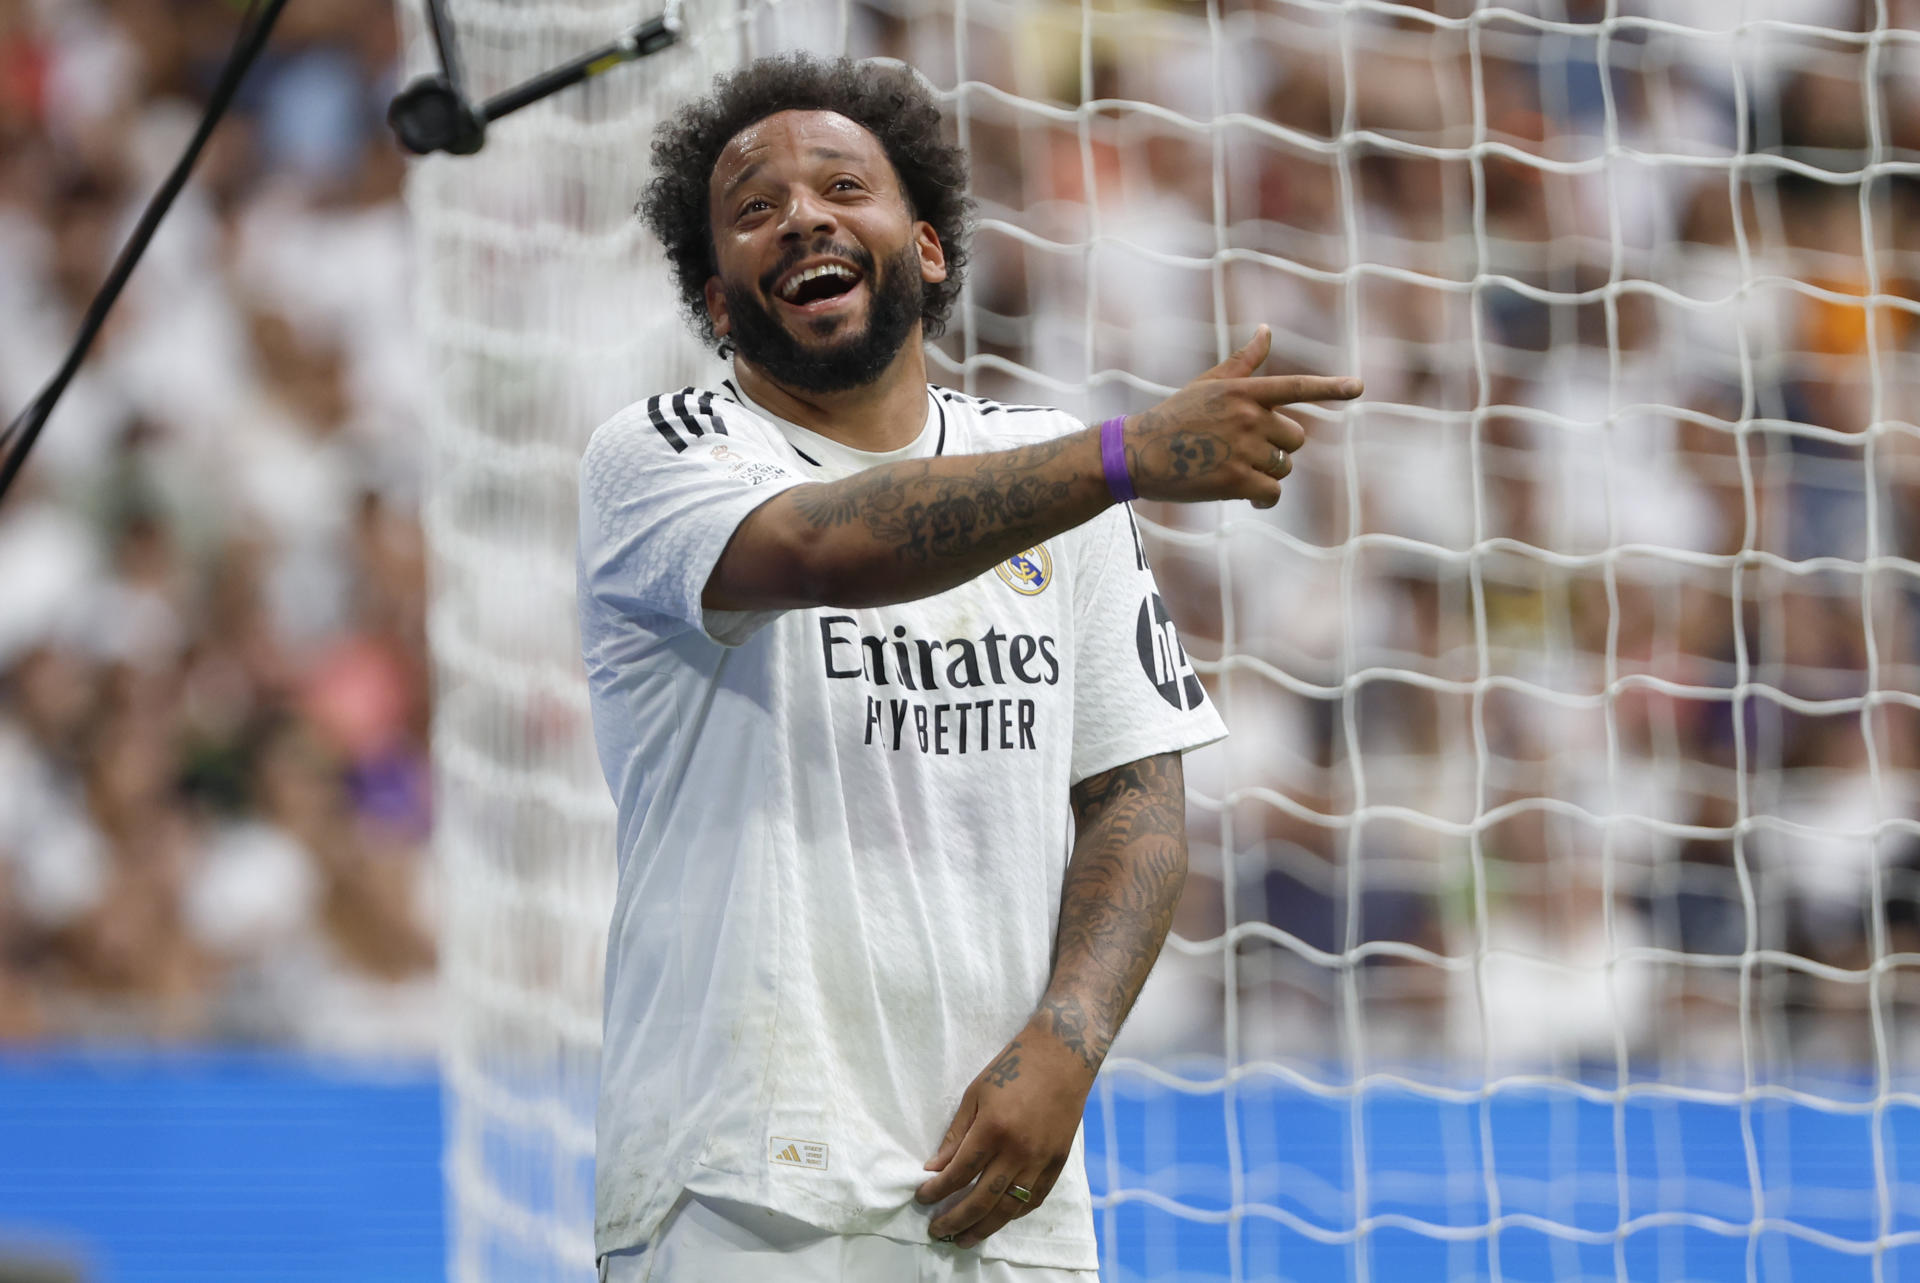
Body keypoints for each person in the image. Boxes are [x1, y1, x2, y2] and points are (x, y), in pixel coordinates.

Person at [576, 53, 1361, 1283]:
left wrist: (1069, 1038)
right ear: (720, 304)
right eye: (754, 210)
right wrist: (1125, 451)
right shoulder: (664, 451)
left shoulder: (1056, 466)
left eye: (844, 185)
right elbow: (826, 545)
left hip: (1003, 1192)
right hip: (743, 1190)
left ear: (928, 249)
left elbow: (1135, 795)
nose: (803, 217)